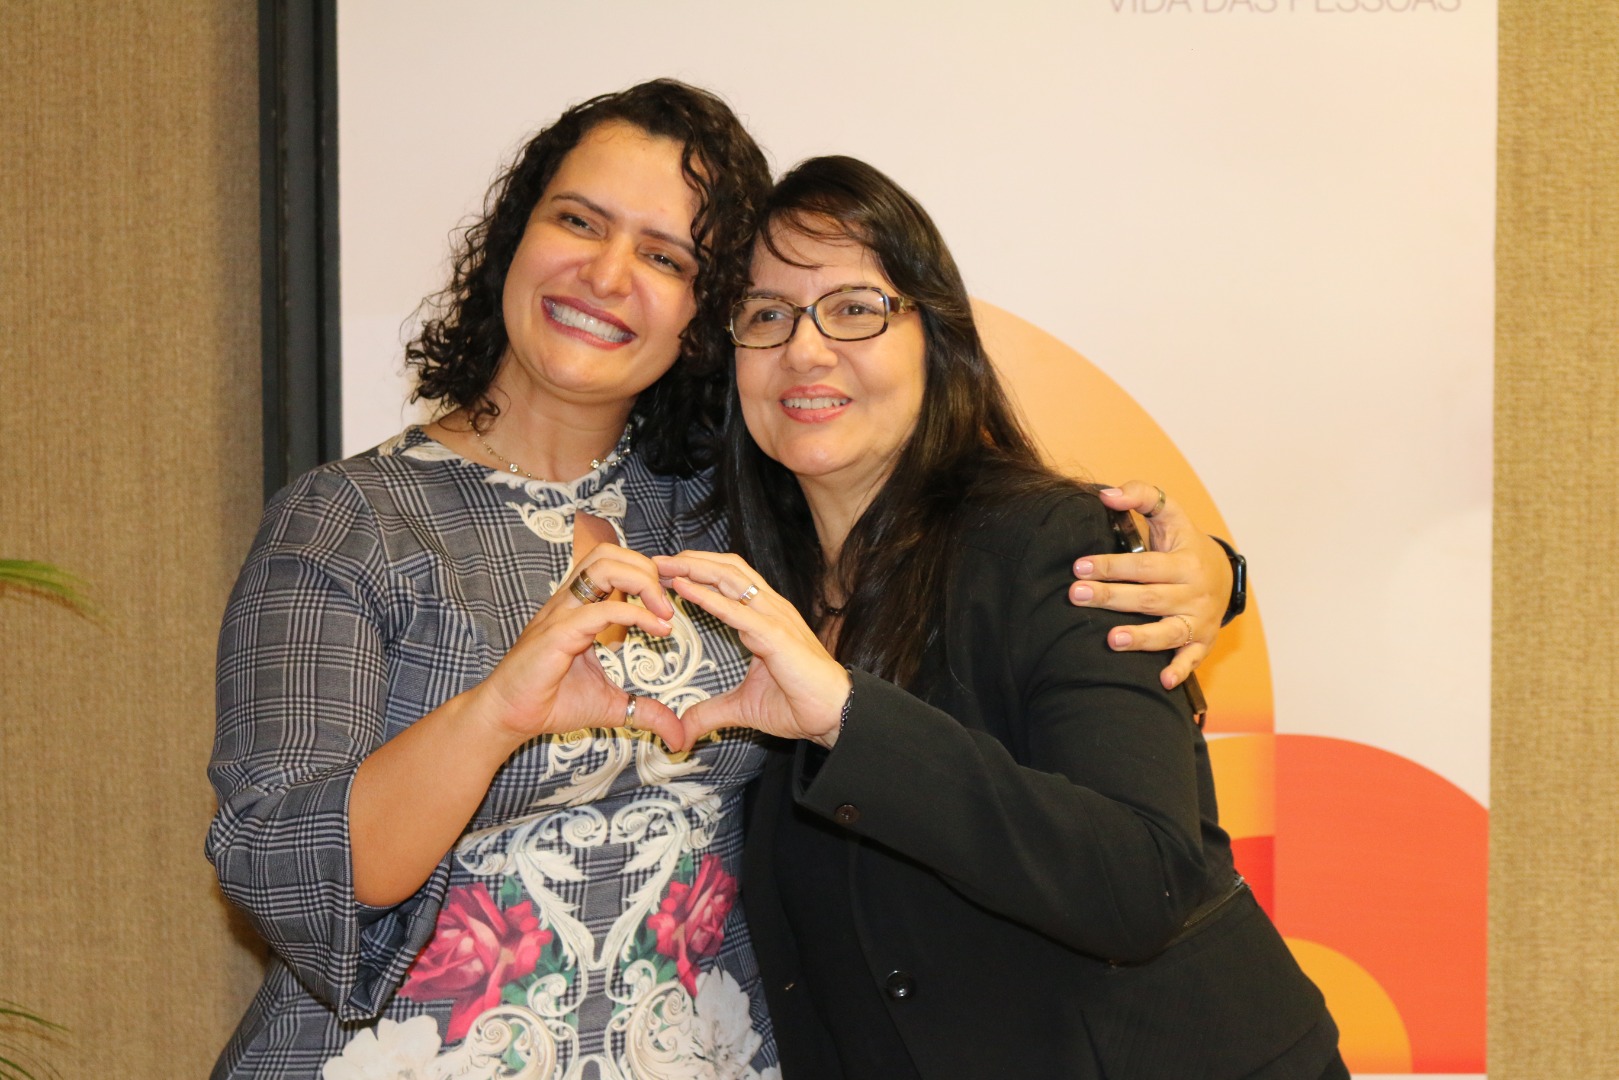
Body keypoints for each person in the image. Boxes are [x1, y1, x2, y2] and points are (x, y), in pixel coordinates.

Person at [206, 81, 1236, 1079]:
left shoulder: (729, 507)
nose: (607, 274)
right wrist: (492, 715)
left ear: (703, 316)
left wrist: (1207, 573)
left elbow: (946, 538)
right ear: (513, 237)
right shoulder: (352, 520)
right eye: (578, 221)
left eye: (665, 256)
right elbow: (290, 873)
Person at [652, 155, 1345, 1079]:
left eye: (855, 308)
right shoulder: (742, 583)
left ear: (936, 340)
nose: (805, 351)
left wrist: (848, 718)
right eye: (766, 315)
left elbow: (1140, 881)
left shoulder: (1053, 540)